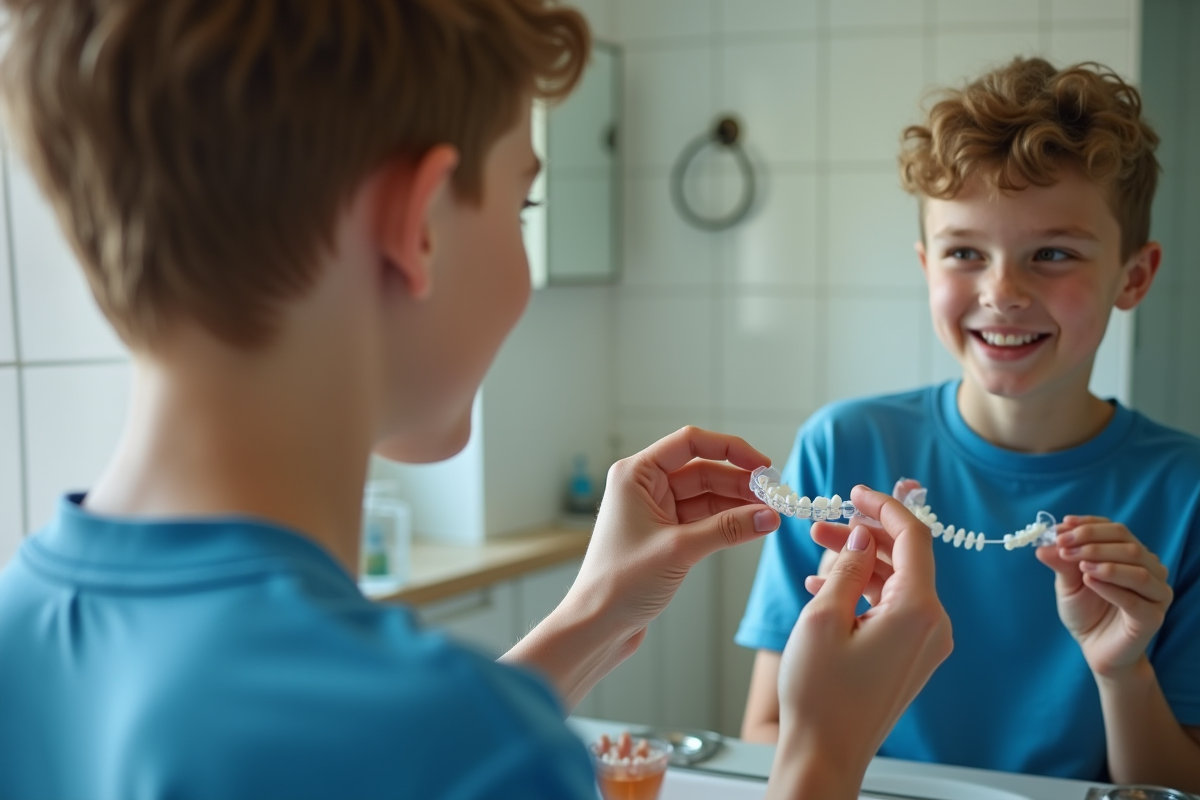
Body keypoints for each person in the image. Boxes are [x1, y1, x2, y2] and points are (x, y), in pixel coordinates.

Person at [0, 1, 953, 798]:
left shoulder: (21, 632)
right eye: (521, 204)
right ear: (417, 226)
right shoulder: (459, 747)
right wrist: (823, 755)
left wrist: (596, 613)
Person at [737, 56, 1200, 789]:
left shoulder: (1187, 494)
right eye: (964, 253)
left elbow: (1178, 783)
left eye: (1052, 253)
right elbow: (765, 732)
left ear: (1133, 277)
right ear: (927, 267)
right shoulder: (843, 448)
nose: (1002, 291)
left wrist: (1122, 671)